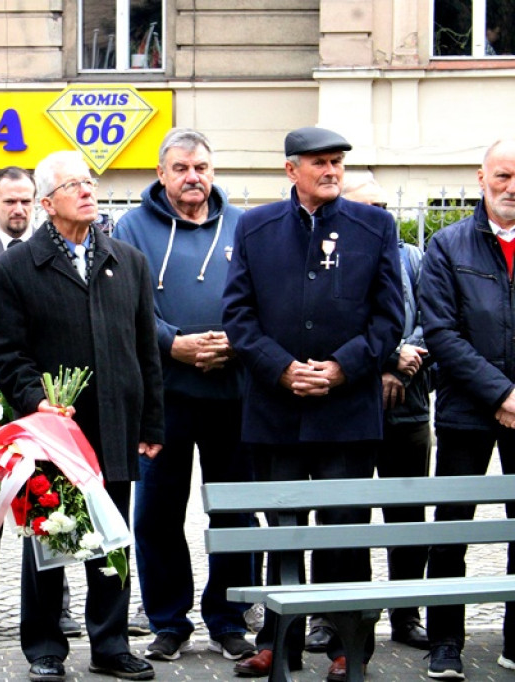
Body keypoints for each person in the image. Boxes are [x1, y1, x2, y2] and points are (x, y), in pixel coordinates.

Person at [223, 127, 403, 681]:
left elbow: (389, 318)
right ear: (290, 170)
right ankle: (278, 644)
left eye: (337, 163)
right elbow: (238, 315)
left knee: (345, 533)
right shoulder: (255, 227)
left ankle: (351, 646)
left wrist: (342, 367)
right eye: (319, 162)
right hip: (276, 412)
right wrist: (282, 368)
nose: (331, 171)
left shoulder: (374, 226)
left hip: (346, 413)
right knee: (282, 531)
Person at [0, 150, 165, 682]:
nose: (88, 191)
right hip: (53, 433)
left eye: (90, 182)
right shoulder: (15, 268)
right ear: (47, 203)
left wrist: (151, 424)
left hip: (113, 425)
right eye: (74, 186)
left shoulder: (126, 261)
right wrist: (36, 401)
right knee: (52, 537)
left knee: (109, 541)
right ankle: (44, 648)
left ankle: (110, 645)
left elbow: (145, 351)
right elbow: (4, 353)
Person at [113, 128, 257, 663]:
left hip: (234, 393)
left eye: (200, 167)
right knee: (157, 513)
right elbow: (124, 304)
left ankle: (229, 618)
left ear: (212, 171)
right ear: (161, 173)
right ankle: (168, 622)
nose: (192, 177)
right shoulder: (131, 227)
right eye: (181, 168)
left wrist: (233, 343)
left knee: (235, 513)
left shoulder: (244, 226)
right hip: (164, 396)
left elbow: (260, 300)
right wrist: (174, 344)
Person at [0, 166, 82, 640]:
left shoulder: (55, 253)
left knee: (52, 504)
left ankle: (58, 607)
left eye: (26, 200)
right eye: (10, 201)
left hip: (44, 404)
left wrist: (41, 393)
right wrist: (9, 382)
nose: (19, 208)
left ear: (39, 202)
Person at [304, 173, 433, 655]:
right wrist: (377, 363)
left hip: (408, 407)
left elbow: (429, 316)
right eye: (368, 205)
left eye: (384, 205)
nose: (379, 214)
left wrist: (403, 356)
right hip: (352, 407)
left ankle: (406, 614)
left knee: (407, 517)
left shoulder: (412, 257)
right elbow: (330, 328)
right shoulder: (327, 258)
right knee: (341, 516)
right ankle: (328, 618)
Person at [418, 138, 515, 679]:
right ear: (481, 179)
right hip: (465, 410)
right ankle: (445, 643)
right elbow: (442, 333)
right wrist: (502, 395)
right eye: (502, 176)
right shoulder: (448, 245)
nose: (511, 188)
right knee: (451, 528)